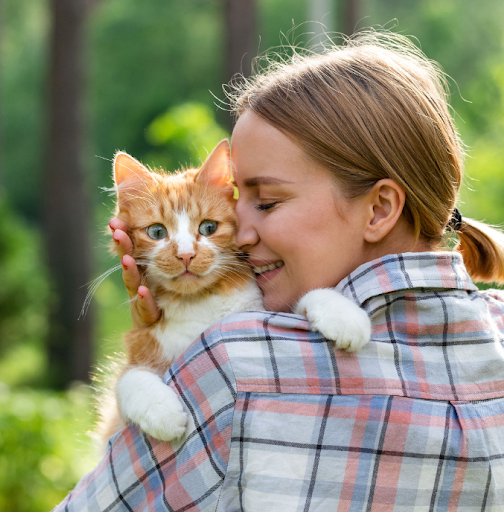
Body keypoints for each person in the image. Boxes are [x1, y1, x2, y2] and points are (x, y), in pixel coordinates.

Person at [53, 31, 504, 511]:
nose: (239, 231)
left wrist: (178, 350)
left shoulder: (238, 365)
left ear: (378, 211)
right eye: (236, 203)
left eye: (266, 202)